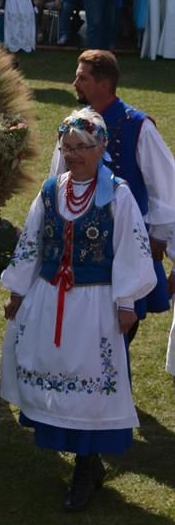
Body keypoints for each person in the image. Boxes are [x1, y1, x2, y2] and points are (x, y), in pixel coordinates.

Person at [0, 110, 156, 512]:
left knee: (89, 384)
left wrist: (126, 303)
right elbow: (32, 242)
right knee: (55, 375)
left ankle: (86, 468)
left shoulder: (117, 194)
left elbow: (130, 251)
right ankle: (84, 461)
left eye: (82, 148)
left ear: (101, 147)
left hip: (95, 304)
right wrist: (17, 291)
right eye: (67, 148)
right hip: (51, 298)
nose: (73, 155)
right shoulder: (52, 191)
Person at [51, 50, 175, 338]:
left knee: (120, 334)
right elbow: (57, 181)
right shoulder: (73, 126)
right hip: (79, 242)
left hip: (126, 243)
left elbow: (166, 184)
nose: (74, 83)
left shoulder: (137, 126)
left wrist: (158, 234)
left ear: (104, 83)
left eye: (82, 77)